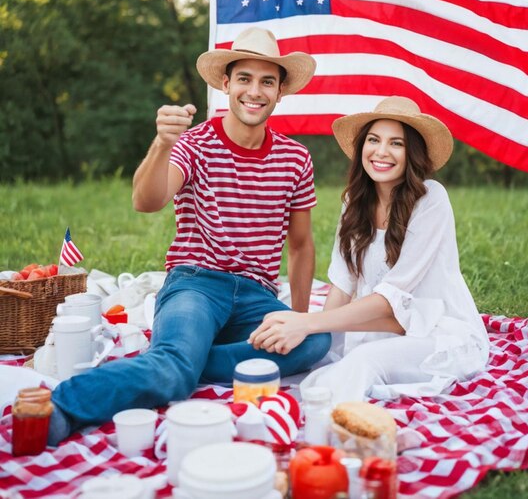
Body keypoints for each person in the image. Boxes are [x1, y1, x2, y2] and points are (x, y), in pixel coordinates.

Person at [48, 27, 331, 444]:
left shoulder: (295, 157)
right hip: (196, 282)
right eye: (244, 79)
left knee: (315, 340)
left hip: (257, 293)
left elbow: (302, 245)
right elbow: (147, 201)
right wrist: (163, 143)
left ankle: (194, 358)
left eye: (267, 81)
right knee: (173, 373)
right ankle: (63, 405)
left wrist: (299, 319)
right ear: (226, 84)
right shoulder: (193, 143)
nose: (255, 91)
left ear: (280, 90)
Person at [249, 96, 489, 403]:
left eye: (396, 143)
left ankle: (325, 428)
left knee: (363, 363)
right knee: (308, 354)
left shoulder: (431, 200)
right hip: (376, 326)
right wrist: (311, 334)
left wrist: (307, 322)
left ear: (412, 153)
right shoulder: (354, 201)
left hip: (434, 331)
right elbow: (343, 286)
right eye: (374, 140)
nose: (381, 151)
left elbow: (391, 301)